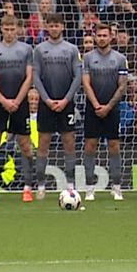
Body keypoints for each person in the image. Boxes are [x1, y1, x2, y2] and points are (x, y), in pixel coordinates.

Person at [0, 15, 35, 203]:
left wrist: (18, 100)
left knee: (25, 145)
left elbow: (29, 77)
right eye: (6, 28)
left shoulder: (26, 49)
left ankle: (27, 187)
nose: (9, 32)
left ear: (18, 29)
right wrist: (3, 100)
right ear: (1, 29)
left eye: (12, 28)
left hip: (19, 102)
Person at [32, 13, 81, 200]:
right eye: (50, 25)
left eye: (57, 25)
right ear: (46, 26)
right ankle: (41, 185)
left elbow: (78, 77)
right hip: (46, 104)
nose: (54, 28)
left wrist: (66, 100)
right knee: (43, 143)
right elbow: (35, 77)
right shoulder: (39, 49)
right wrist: (46, 99)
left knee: (69, 142)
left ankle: (70, 184)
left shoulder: (71, 49)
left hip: (66, 104)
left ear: (63, 26)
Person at [82, 24, 128, 201]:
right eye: (99, 35)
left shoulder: (120, 58)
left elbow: (122, 85)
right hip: (93, 108)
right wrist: (96, 105)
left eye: (105, 35)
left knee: (114, 146)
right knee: (90, 145)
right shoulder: (87, 58)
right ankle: (89, 187)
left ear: (111, 37)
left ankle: (116, 186)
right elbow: (85, 83)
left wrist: (108, 106)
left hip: (113, 108)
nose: (101, 38)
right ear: (95, 37)